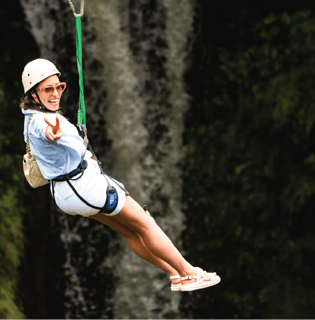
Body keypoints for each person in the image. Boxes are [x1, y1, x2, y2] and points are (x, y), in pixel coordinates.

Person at [20, 58, 220, 292]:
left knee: (129, 231)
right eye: (47, 89)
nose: (55, 94)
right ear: (34, 94)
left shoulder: (29, 117)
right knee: (145, 223)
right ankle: (189, 273)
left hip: (66, 196)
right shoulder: (44, 121)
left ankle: (174, 275)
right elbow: (47, 131)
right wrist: (52, 133)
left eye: (59, 87)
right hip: (87, 189)